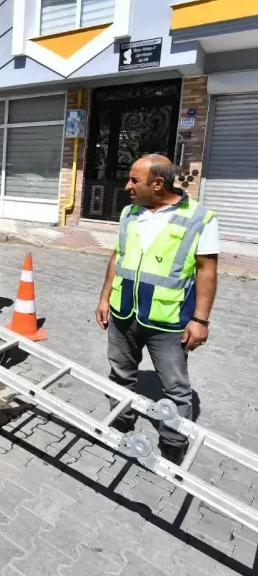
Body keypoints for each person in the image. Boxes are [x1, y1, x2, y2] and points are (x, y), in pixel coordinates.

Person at [95, 154, 219, 464]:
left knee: (175, 388)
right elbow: (118, 256)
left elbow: (206, 270)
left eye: (134, 180)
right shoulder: (129, 212)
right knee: (120, 374)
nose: (127, 186)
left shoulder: (199, 218)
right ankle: (121, 426)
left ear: (158, 184)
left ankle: (173, 444)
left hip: (168, 320)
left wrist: (200, 320)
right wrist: (104, 296)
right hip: (124, 312)